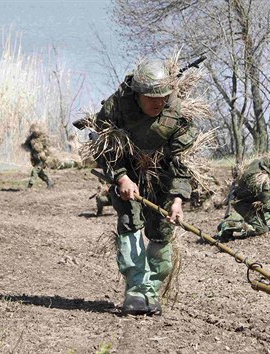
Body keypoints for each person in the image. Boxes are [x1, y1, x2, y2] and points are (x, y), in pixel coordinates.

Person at [92, 59, 198, 316]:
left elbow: (181, 162)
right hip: (127, 170)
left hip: (161, 174)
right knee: (130, 222)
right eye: (151, 98)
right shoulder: (116, 107)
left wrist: (177, 199)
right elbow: (103, 147)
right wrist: (121, 177)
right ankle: (137, 290)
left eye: (162, 97)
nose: (158, 103)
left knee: (162, 231)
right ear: (137, 94)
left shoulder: (179, 115)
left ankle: (152, 289)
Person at [216, 152, 270, 241]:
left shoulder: (269, 167)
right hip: (243, 202)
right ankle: (228, 225)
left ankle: (260, 221)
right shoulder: (264, 179)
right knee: (261, 230)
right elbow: (266, 202)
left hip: (253, 198)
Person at [22, 121, 54, 189]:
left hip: (42, 158)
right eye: (33, 132)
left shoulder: (44, 137)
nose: (35, 133)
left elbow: (48, 148)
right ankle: (49, 182)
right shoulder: (31, 138)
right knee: (40, 173)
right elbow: (27, 146)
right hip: (35, 158)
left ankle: (29, 186)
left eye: (35, 132)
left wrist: (45, 156)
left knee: (35, 171)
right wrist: (24, 146)